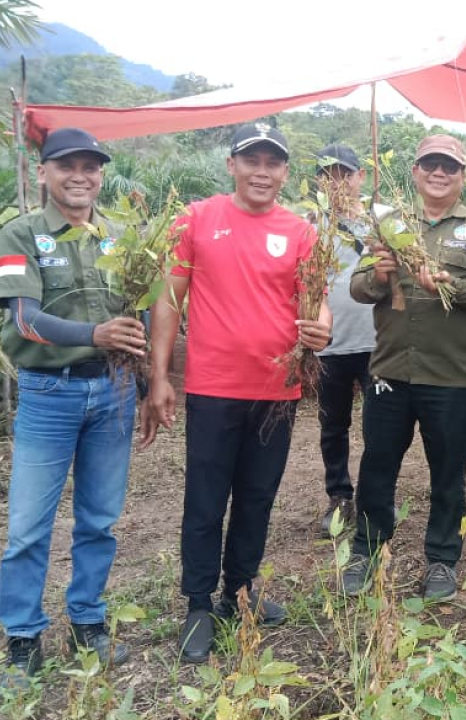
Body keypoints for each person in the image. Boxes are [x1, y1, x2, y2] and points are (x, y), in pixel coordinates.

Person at [141, 123, 332, 663]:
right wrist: (159, 376)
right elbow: (168, 300)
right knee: (205, 498)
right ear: (232, 165)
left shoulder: (300, 231)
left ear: (285, 173)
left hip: (278, 391)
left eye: (273, 163)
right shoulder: (197, 219)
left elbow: (315, 301)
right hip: (214, 387)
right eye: (252, 160)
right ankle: (199, 603)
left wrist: (322, 326)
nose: (262, 171)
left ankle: (241, 590)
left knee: (256, 496)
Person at [0, 127, 143, 683]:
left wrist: (146, 387)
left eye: (91, 166)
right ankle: (23, 637)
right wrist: (95, 334)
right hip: (48, 395)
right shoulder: (21, 234)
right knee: (28, 525)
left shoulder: (121, 237)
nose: (80, 175)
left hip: (113, 395)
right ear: (44, 172)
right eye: (67, 165)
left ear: (101, 174)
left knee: (100, 520)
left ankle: (88, 621)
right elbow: (24, 319)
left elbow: (138, 316)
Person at [340, 135, 466, 602]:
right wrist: (381, 274)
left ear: (462, 176)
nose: (439, 173)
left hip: (450, 374)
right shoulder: (388, 226)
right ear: (414, 171)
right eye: (430, 164)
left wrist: (452, 287)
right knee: (377, 466)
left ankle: (442, 560)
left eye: (449, 167)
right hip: (390, 370)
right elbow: (358, 289)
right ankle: (367, 552)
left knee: (448, 470)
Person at [311, 144, 384, 538]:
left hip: (378, 342)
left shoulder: (384, 220)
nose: (337, 182)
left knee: (379, 427)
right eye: (328, 175)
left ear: (360, 177)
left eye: (345, 174)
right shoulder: (310, 225)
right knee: (332, 426)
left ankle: (374, 496)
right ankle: (339, 497)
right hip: (330, 345)